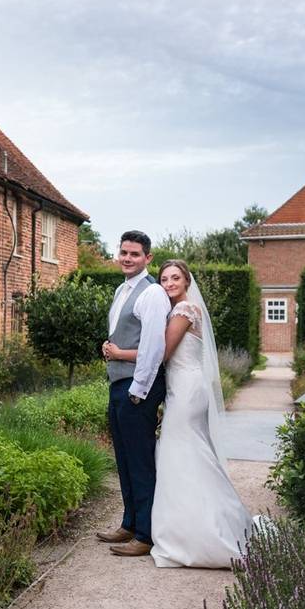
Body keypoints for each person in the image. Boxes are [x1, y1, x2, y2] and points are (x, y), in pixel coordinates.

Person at [107, 259, 254, 568]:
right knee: (187, 453)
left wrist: (119, 353)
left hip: (186, 391)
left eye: (175, 278)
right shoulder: (181, 310)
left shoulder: (183, 311)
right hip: (182, 389)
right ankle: (185, 523)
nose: (169, 283)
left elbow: (161, 351)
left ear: (187, 281)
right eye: (164, 279)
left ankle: (197, 532)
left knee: (181, 452)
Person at [97, 230, 170, 557]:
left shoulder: (152, 293)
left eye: (135, 254)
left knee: (140, 462)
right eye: (123, 252)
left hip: (138, 387)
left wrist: (139, 392)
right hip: (119, 383)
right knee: (124, 459)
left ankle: (145, 534)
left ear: (147, 258)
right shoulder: (121, 290)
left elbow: (154, 348)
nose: (127, 258)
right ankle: (129, 522)